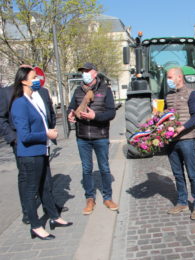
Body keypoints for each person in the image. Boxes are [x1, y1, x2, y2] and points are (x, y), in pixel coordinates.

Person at [0, 65, 68, 225]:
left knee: (46, 177)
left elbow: (49, 113)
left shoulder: (42, 92)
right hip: (23, 143)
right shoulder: (8, 93)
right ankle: (29, 214)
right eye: (33, 77)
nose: (36, 79)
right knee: (27, 179)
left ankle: (50, 209)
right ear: (22, 78)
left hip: (42, 143)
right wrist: (14, 138)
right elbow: (2, 118)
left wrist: (50, 130)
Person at [67, 62, 118, 215]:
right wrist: (70, 114)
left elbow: (111, 113)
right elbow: (71, 107)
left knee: (104, 167)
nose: (85, 73)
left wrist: (95, 116)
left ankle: (107, 197)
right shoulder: (77, 91)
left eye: (87, 71)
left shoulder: (105, 90)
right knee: (86, 169)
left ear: (95, 73)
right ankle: (90, 198)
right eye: (83, 71)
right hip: (82, 137)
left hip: (100, 135)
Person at [165, 67, 195, 220]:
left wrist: (181, 128)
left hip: (186, 139)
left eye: (169, 77)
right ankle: (182, 202)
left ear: (179, 77)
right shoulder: (168, 95)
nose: (167, 80)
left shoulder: (192, 94)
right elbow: (164, 116)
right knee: (177, 174)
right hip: (171, 141)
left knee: (192, 174)